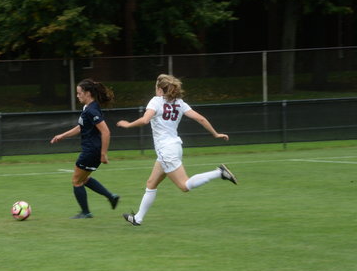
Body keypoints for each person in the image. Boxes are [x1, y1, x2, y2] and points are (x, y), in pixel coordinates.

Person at [116, 73, 237, 226]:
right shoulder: (179, 103)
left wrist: (128, 125)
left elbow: (145, 120)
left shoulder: (156, 101)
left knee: (184, 186)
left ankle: (219, 173)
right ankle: (138, 218)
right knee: (151, 183)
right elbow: (200, 118)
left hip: (166, 151)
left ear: (160, 90)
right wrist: (215, 134)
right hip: (174, 147)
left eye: (156, 87)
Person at [51, 78, 120, 219]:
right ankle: (111, 197)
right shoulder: (88, 108)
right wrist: (63, 135)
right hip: (92, 151)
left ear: (87, 93)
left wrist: (103, 154)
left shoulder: (92, 110)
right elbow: (80, 127)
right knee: (84, 179)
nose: (77, 96)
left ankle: (85, 212)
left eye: (79, 93)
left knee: (76, 181)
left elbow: (106, 132)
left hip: (91, 151)